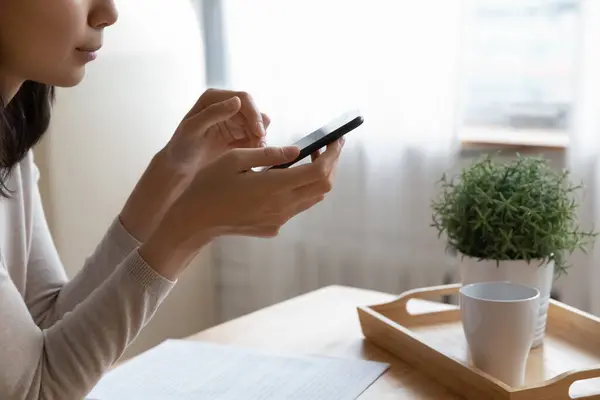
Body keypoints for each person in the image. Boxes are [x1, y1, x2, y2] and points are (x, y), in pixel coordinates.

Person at [0, 1, 343, 399]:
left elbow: (44, 325)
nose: (108, 12)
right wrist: (189, 228)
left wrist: (172, 174)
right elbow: (35, 390)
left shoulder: (11, 147)